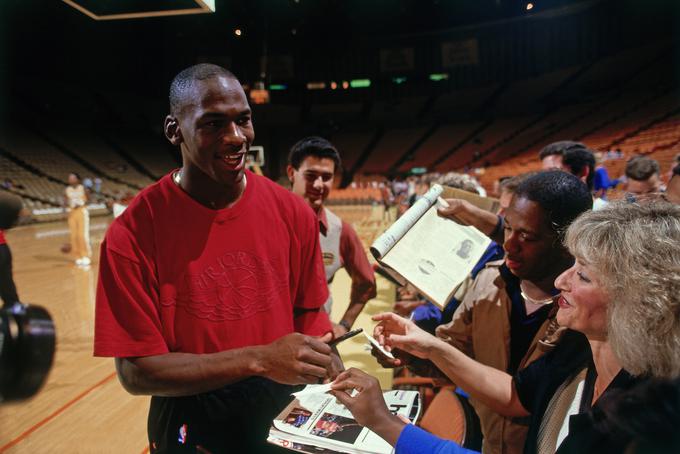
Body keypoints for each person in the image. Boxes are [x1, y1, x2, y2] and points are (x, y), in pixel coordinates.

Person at [94, 63, 339, 453]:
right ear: (175, 130)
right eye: (213, 124)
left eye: (243, 120)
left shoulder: (293, 213)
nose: (236, 137)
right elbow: (136, 372)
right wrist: (258, 359)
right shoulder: (132, 233)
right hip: (189, 415)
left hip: (285, 407)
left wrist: (328, 361)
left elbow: (309, 314)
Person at [332, 201, 680, 454]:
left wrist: (386, 424)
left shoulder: (650, 422)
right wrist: (429, 345)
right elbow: (516, 395)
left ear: (641, 303)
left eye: (583, 274)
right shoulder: (578, 348)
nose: (561, 280)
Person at [380, 171, 593, 454]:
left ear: (568, 241)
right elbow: (452, 355)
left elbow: (517, 397)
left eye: (527, 237)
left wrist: (431, 349)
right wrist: (411, 354)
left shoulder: (586, 316)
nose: (509, 245)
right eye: (507, 228)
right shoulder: (488, 281)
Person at [287, 136, 376, 337]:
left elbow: (366, 284)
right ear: (292, 173)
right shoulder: (268, 219)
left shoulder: (341, 230)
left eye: (326, 177)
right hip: (269, 342)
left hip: (316, 341)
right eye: (311, 175)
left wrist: (344, 324)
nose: (319, 185)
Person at [64, 172, 91, 267]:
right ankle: (77, 256)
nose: (70, 179)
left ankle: (85, 256)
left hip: (81, 211)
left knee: (81, 235)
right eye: (69, 178)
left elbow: (89, 200)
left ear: (77, 179)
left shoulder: (83, 188)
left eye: (72, 177)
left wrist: (81, 203)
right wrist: (65, 210)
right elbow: (66, 201)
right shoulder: (67, 189)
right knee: (73, 236)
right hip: (71, 212)